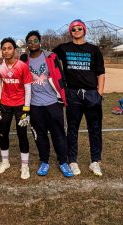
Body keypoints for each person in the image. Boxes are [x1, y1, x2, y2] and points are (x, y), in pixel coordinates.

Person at [53, 19, 106, 176]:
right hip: (73, 94)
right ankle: (73, 161)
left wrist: (99, 94)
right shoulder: (64, 48)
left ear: (84, 30)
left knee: (94, 129)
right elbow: (46, 56)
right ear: (70, 32)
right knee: (72, 129)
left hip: (91, 94)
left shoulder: (94, 49)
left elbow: (101, 73)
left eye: (79, 28)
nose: (76, 31)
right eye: (73, 29)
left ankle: (95, 161)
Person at [21, 30, 73, 177]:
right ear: (27, 45)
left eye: (35, 41)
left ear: (40, 42)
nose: (32, 44)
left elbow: (60, 77)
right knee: (40, 135)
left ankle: (63, 162)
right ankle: (44, 161)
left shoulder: (51, 56)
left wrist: (63, 96)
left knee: (58, 134)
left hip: (53, 103)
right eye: (29, 42)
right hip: (35, 105)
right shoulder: (24, 60)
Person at [0, 37, 32, 179]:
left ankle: (24, 166)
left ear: (14, 50)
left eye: (9, 48)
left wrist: (27, 109)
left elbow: (28, 88)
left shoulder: (22, 66)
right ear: (2, 51)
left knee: (22, 135)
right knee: (3, 133)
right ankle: (5, 162)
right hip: (5, 104)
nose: (6, 51)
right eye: (4, 48)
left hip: (21, 105)